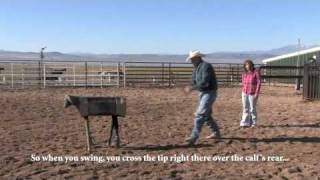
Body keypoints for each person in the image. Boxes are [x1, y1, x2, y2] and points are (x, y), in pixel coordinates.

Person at [184, 50, 220, 145]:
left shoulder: (206, 66)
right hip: (203, 92)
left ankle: (194, 136)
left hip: (209, 92)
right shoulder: (197, 68)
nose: (191, 61)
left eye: (192, 59)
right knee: (206, 115)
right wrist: (191, 86)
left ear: (197, 58)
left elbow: (205, 81)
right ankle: (216, 132)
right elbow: (194, 81)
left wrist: (192, 88)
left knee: (200, 114)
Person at [240, 60, 261, 128]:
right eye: (246, 65)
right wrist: (243, 88)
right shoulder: (244, 73)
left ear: (252, 65)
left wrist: (256, 93)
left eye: (248, 65)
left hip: (252, 93)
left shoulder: (256, 72)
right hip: (245, 92)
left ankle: (254, 122)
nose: (247, 66)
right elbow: (243, 82)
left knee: (252, 108)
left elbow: (259, 82)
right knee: (245, 108)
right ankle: (245, 122)